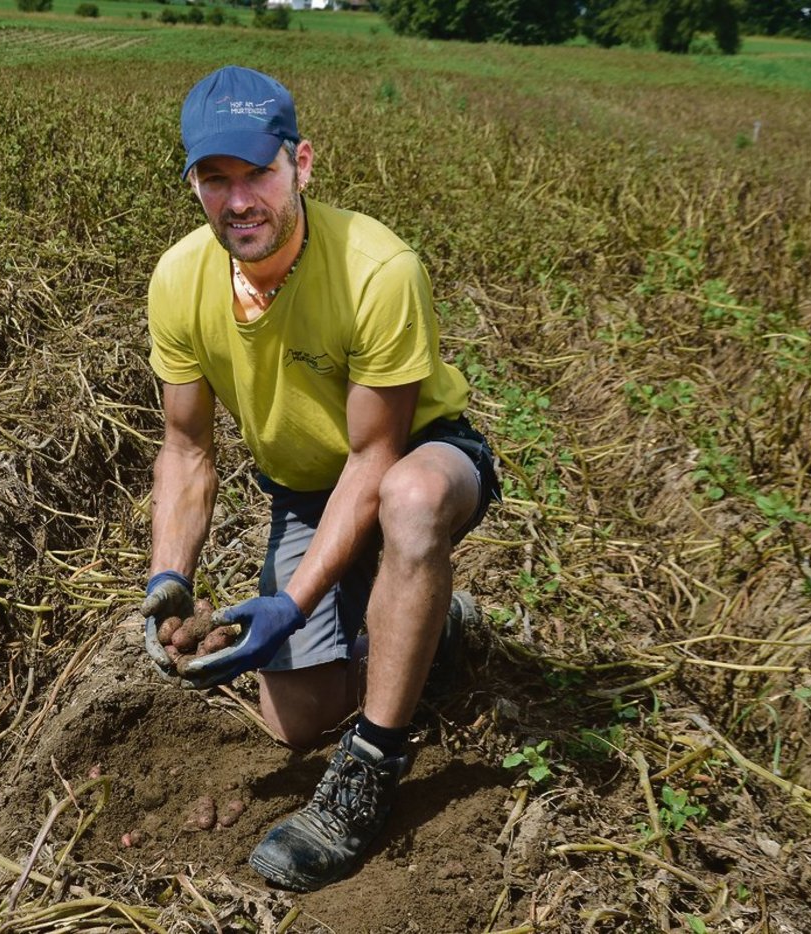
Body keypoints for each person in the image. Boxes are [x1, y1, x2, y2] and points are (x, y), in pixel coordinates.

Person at [138, 65, 501, 893]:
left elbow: (375, 459)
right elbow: (187, 450)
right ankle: (431, 628)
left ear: (301, 164)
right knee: (290, 723)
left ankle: (371, 768)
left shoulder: (376, 268)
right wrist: (169, 577)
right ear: (192, 183)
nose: (238, 201)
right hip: (306, 485)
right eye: (214, 179)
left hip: (419, 454)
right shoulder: (179, 280)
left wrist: (291, 603)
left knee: (408, 506)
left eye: (258, 173)